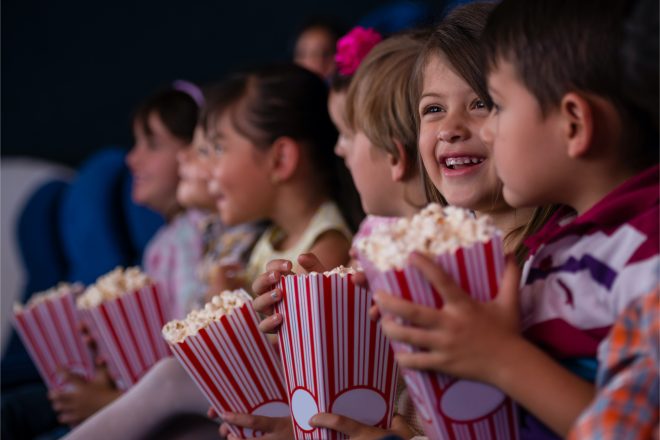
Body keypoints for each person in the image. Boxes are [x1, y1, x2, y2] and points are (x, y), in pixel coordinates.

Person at [376, 0, 659, 438]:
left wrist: (502, 357)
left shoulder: (646, 257)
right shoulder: (559, 246)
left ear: (573, 123)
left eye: (495, 106)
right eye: (432, 109)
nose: (484, 130)